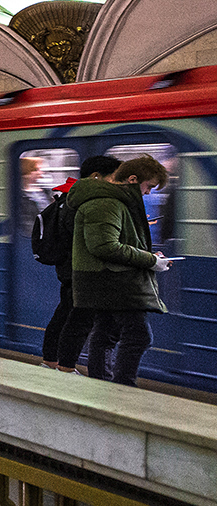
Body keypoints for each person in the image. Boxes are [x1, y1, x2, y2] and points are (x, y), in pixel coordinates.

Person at [69, 154, 173, 386]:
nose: (148, 193)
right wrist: (149, 261)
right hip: (111, 279)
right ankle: (122, 388)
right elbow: (104, 246)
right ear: (133, 179)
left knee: (106, 334)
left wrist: (151, 257)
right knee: (138, 336)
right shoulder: (106, 203)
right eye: (148, 186)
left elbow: (119, 241)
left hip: (109, 278)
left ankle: (103, 387)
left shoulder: (115, 201)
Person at [42, 155, 119, 369]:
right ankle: (64, 367)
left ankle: (51, 362)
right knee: (79, 320)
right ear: (96, 176)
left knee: (66, 314)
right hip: (79, 267)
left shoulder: (71, 197)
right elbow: (83, 236)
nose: (117, 184)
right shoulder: (79, 202)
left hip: (71, 266)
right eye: (114, 178)